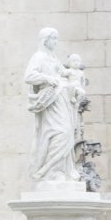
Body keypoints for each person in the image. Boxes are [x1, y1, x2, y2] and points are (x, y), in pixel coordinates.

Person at [25, 27, 80, 183]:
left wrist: (73, 76)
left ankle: (58, 170)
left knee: (67, 132)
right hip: (49, 101)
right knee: (61, 132)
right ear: (45, 40)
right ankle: (51, 172)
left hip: (60, 99)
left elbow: (63, 72)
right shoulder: (39, 57)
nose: (56, 42)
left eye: (57, 38)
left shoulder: (53, 57)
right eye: (53, 38)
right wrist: (47, 79)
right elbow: (29, 76)